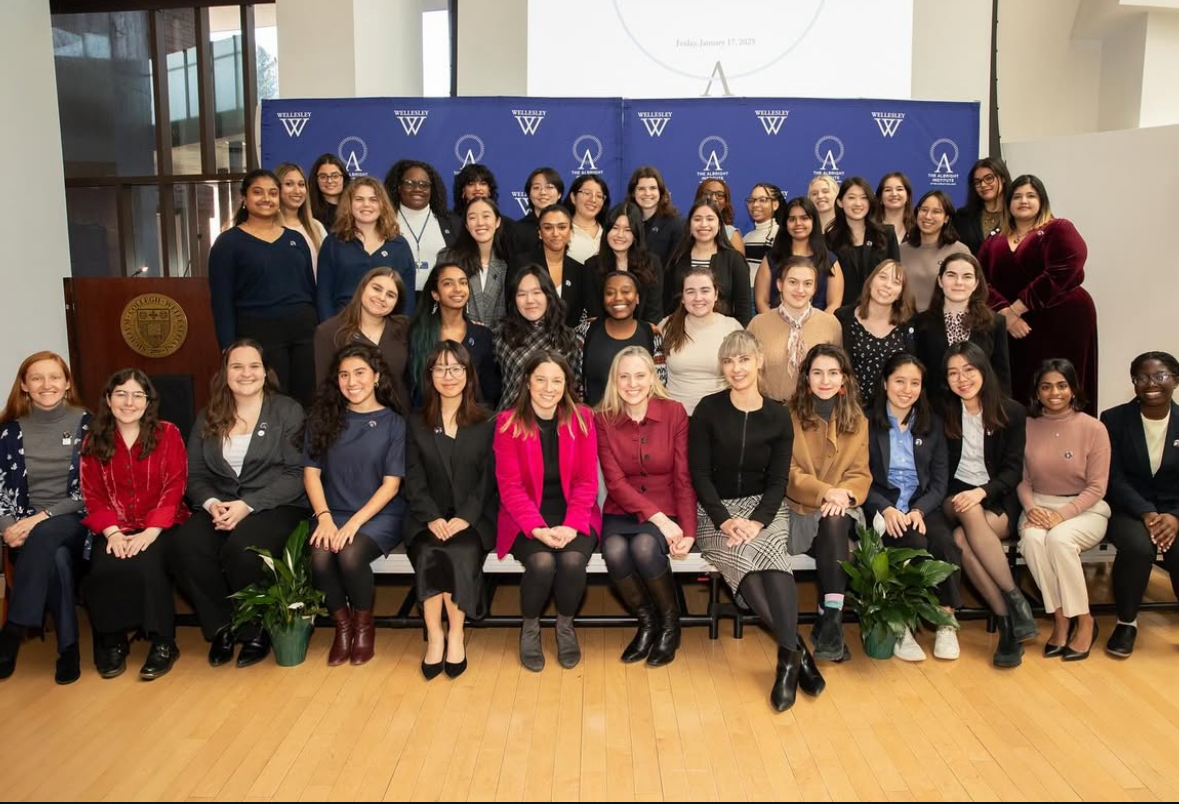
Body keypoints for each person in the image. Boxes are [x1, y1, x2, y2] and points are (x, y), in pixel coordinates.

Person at [689, 330, 824, 711]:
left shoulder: (778, 415)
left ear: (759, 361)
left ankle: (786, 661)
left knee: (772, 559)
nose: (736, 368)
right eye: (729, 361)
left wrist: (758, 522)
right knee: (745, 561)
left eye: (744, 359)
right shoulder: (707, 409)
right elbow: (698, 474)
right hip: (715, 511)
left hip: (764, 510)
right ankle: (798, 654)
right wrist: (724, 520)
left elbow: (779, 481)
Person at [168, 340, 308, 669]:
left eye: (253, 366)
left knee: (243, 548)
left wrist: (248, 505)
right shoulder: (209, 415)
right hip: (221, 505)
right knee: (185, 546)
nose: (246, 373)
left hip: (277, 504)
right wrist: (212, 502)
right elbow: (195, 474)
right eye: (237, 367)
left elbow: (296, 472)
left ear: (265, 371)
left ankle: (255, 628)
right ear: (225, 373)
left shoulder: (287, 411)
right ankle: (223, 627)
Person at [494, 352, 601, 671]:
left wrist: (572, 524)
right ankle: (530, 628)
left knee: (570, 561)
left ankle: (565, 627)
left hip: (575, 513)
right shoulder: (508, 423)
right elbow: (510, 487)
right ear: (527, 381)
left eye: (557, 380)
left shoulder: (582, 418)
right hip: (524, 517)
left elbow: (586, 481)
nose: (548, 387)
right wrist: (536, 528)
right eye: (540, 379)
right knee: (541, 563)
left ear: (567, 384)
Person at [81, 369, 189, 681]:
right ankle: (112, 642)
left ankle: (163, 643)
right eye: (121, 394)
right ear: (108, 399)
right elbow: (93, 494)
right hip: (114, 526)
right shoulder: (94, 439)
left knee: (149, 563)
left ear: (148, 402)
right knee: (104, 563)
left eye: (137, 395)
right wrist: (113, 533)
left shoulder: (167, 433)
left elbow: (175, 485)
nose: (129, 402)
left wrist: (151, 531)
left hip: (162, 524)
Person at [302, 344, 406, 666]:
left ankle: (363, 628)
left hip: (378, 514)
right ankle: (342, 627)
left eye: (359, 373)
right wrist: (324, 518)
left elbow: (391, 485)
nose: (351, 381)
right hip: (331, 513)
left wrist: (354, 523)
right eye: (344, 374)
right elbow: (311, 474)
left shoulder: (394, 423)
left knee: (349, 555)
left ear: (376, 377)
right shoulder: (324, 419)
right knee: (319, 558)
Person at [594, 347, 696, 666]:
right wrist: (658, 519)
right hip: (620, 508)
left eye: (640, 375)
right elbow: (615, 483)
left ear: (652, 378)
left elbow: (683, 476)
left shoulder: (674, 412)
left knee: (643, 547)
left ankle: (670, 626)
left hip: (667, 504)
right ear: (615, 380)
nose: (632, 383)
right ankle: (647, 623)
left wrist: (688, 531)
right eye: (624, 376)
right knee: (613, 550)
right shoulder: (603, 419)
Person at [403, 341, 497, 679]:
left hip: (472, 518)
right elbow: (412, 478)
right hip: (425, 517)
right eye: (440, 368)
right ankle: (435, 636)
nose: (448, 375)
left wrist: (464, 517)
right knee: (430, 552)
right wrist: (432, 517)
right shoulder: (415, 422)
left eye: (456, 368)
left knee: (458, 552)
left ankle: (456, 634)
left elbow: (489, 478)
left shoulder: (488, 419)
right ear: (429, 375)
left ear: (468, 374)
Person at [940, 342, 1035, 667]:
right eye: (953, 373)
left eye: (968, 369)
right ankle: (1016, 597)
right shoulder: (943, 411)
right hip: (954, 497)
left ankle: (1007, 621)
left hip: (995, 498)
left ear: (983, 370)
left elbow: (1012, 470)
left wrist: (982, 492)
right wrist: (970, 495)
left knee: (961, 540)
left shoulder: (1011, 411)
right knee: (966, 510)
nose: (961, 378)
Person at [0, 352, 90, 684]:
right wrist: (8, 527)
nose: (46, 385)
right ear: (24, 386)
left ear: (67, 384)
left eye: (55, 377)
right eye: (37, 378)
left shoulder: (87, 424)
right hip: (25, 530)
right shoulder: (8, 433)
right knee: (57, 558)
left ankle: (11, 630)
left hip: (76, 521)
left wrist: (37, 520)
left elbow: (89, 492)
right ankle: (69, 649)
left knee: (49, 535)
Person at [865, 354, 961, 661]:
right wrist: (886, 508)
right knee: (913, 544)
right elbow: (857, 476)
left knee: (946, 545)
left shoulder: (932, 425)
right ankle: (901, 626)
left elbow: (939, 481)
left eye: (915, 383)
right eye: (900, 381)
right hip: (884, 508)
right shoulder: (865, 422)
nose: (907, 389)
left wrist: (919, 510)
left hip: (922, 506)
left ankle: (946, 622)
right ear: (885, 383)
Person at [978, 174, 1098, 413]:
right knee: (1022, 386)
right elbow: (980, 280)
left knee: (1061, 383)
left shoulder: (1059, 228)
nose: (1024, 201)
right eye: (1018, 196)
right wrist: (1006, 314)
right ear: (1008, 202)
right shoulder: (993, 241)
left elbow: (1064, 268)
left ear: (1042, 200)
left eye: (1031, 196)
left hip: (1062, 319)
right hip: (1013, 328)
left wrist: (1016, 309)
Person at [1019, 359, 1111, 661]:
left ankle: (1084, 620)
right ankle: (1060, 618)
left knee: (1059, 540)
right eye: (1046, 386)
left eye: (1061, 385)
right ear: (1037, 392)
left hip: (1084, 509)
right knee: (1032, 541)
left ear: (1073, 390)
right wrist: (1032, 509)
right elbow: (1021, 480)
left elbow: (1097, 487)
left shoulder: (1094, 428)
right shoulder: (1026, 425)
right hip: (1037, 505)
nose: (1053, 392)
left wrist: (1061, 515)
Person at [786, 344, 871, 664]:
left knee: (836, 521)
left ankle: (831, 622)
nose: (825, 380)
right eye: (817, 372)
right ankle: (829, 620)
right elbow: (787, 474)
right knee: (843, 545)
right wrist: (825, 493)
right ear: (806, 379)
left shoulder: (858, 419)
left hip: (844, 509)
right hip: (802, 511)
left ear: (844, 379)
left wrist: (844, 495)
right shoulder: (788, 416)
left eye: (833, 373)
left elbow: (860, 473)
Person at [208, 169, 317, 406]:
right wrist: (228, 348)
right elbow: (221, 301)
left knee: (306, 401)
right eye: (258, 192)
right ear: (244, 199)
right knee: (272, 402)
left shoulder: (296, 239)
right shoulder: (228, 243)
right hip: (259, 334)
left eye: (273, 193)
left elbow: (310, 288)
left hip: (304, 333)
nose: (266, 198)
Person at [1100, 351, 1179, 658]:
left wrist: (1174, 515)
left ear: (1175, 380)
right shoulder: (1114, 419)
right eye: (1142, 377)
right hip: (1128, 508)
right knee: (1138, 547)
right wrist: (1146, 512)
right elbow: (1113, 476)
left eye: (1160, 376)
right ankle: (1126, 622)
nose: (1151, 384)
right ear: (1133, 382)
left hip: (1173, 510)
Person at [912, 252, 1011, 400]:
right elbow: (918, 374)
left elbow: (1001, 376)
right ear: (940, 281)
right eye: (951, 275)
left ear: (976, 283)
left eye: (967, 276)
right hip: (935, 412)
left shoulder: (995, 322)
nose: (959, 282)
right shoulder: (921, 323)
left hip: (982, 411)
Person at [314, 266, 411, 415]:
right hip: (348, 424)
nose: (381, 298)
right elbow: (324, 390)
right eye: (377, 289)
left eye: (391, 295)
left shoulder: (405, 328)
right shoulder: (328, 332)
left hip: (399, 420)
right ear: (362, 288)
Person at [316, 176, 416, 320]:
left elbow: (407, 300)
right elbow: (324, 296)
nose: (366, 204)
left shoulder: (399, 246)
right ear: (349, 204)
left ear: (382, 204)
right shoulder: (333, 243)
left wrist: (400, 332)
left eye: (373, 199)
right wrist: (330, 332)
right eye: (359, 199)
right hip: (342, 328)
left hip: (387, 331)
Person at [747, 256, 842, 403]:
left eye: (808, 283)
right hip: (770, 410)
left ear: (815, 288)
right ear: (779, 284)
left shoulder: (830, 324)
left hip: (814, 411)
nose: (800, 290)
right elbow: (748, 373)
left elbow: (838, 373)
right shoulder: (758, 324)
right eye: (793, 282)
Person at [408, 261, 500, 408]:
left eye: (463, 283)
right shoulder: (417, 334)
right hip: (427, 420)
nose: (458, 289)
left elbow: (490, 391)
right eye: (448, 284)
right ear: (435, 294)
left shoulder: (482, 335)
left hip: (471, 422)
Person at [493, 264, 579, 410]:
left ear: (548, 295)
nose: (530, 300)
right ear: (514, 300)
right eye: (521, 294)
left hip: (554, 423)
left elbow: (573, 388)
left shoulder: (566, 337)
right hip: (510, 422)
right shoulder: (501, 334)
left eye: (537, 292)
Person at [659, 266, 743, 415]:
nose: (698, 298)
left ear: (716, 294)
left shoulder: (732, 328)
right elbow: (654, 376)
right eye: (690, 292)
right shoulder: (666, 327)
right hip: (675, 417)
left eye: (705, 290)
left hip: (719, 416)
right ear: (683, 298)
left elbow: (743, 377)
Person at [833, 259, 915, 410]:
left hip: (890, 411)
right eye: (882, 277)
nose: (887, 285)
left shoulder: (908, 326)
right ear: (870, 282)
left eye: (896, 282)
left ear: (900, 294)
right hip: (848, 409)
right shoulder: (843, 317)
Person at [576, 271, 665, 407]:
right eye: (610, 293)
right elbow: (573, 382)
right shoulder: (586, 330)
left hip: (639, 423)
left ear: (637, 298)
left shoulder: (652, 333)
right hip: (594, 423)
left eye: (626, 291)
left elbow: (659, 384)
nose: (618, 298)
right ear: (603, 299)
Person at [665, 201, 752, 325]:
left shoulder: (734, 260)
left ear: (720, 225)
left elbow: (744, 308)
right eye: (697, 219)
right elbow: (668, 304)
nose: (703, 224)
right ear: (689, 225)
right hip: (682, 334)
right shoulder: (677, 259)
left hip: (724, 336)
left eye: (710, 219)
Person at [753, 197, 842, 313]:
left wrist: (818, 327)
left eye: (804, 218)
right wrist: (773, 325)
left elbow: (834, 303)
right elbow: (761, 301)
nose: (798, 223)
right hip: (776, 327)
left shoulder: (829, 260)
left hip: (818, 328)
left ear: (814, 222)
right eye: (792, 219)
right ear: (785, 224)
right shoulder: (772, 258)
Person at [825, 177, 899, 312]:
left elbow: (896, 277)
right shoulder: (830, 240)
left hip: (880, 315)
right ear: (840, 202)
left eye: (864, 198)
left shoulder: (886, 234)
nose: (858, 203)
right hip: (842, 316)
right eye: (851, 198)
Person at [382, 159, 458, 291]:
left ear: (431, 189)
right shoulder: (383, 221)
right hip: (395, 301)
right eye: (409, 183)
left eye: (424, 185)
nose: (417, 189)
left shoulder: (451, 222)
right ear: (398, 187)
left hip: (438, 302)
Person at [437, 196, 511, 331]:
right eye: (472, 218)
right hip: (456, 339)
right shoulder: (448, 258)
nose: (480, 223)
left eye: (486, 216)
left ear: (497, 222)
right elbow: (438, 302)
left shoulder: (507, 262)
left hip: (497, 343)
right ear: (466, 225)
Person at [508, 203, 588, 327]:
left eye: (562, 227)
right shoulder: (521, 264)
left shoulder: (579, 269)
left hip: (566, 341)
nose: (555, 233)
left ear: (570, 231)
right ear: (539, 232)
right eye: (548, 228)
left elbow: (576, 316)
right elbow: (511, 307)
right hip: (525, 339)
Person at [584, 202, 663, 325]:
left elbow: (654, 312)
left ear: (636, 235)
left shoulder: (652, 263)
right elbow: (595, 313)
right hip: (605, 335)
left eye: (627, 230)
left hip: (644, 334)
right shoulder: (592, 265)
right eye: (615, 228)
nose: (620, 235)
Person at [899, 190, 970, 312]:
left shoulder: (960, 251)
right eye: (924, 210)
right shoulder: (901, 250)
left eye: (936, 212)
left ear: (946, 218)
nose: (927, 216)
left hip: (944, 324)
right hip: (906, 323)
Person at [275, 162, 327, 278]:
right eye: (289, 184)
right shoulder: (270, 228)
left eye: (301, 184)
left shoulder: (317, 227)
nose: (297, 191)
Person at [953, 157, 1011, 255]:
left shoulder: (1016, 216)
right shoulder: (963, 216)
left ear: (1003, 178)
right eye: (977, 182)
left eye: (989, 178)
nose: (983, 185)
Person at [627, 166, 683, 267]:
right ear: (633, 193)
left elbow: (676, 265)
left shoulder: (676, 224)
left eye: (653, 188)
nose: (647, 193)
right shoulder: (625, 220)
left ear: (660, 192)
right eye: (641, 189)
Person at [512, 167, 565, 250]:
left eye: (549, 187)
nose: (543, 192)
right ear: (529, 194)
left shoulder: (570, 226)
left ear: (559, 194)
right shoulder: (517, 230)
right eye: (536, 188)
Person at [742, 183, 782, 286]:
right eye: (752, 200)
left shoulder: (782, 236)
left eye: (762, 200)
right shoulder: (746, 238)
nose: (755, 205)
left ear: (775, 204)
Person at [565, 175, 611, 263]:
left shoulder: (609, 231)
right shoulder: (562, 231)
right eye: (587, 193)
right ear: (573, 197)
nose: (593, 200)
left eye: (599, 196)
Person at [694, 178, 746, 255]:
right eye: (708, 193)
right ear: (699, 198)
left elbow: (739, 266)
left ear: (725, 203)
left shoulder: (732, 234)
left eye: (720, 195)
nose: (714, 199)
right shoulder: (689, 231)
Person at [308, 153, 350, 230]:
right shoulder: (307, 210)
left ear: (344, 178)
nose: (329, 181)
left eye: (335, 176)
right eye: (323, 177)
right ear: (316, 179)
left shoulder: (354, 207)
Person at [875, 172, 914, 246]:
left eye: (899, 189)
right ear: (880, 198)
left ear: (908, 196)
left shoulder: (917, 230)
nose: (894, 194)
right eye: (888, 190)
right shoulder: (871, 229)